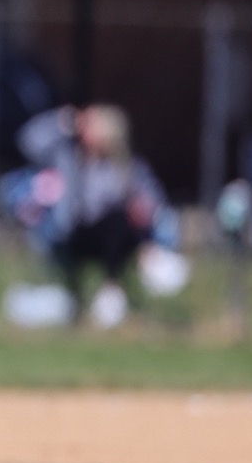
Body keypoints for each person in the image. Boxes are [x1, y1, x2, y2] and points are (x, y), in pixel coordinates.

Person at [10, 104, 177, 328]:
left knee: (116, 221)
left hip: (114, 239)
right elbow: (28, 141)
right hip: (72, 233)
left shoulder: (128, 167)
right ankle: (103, 295)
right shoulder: (66, 156)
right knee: (108, 225)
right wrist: (62, 122)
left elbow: (153, 200)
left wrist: (142, 209)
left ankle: (113, 289)